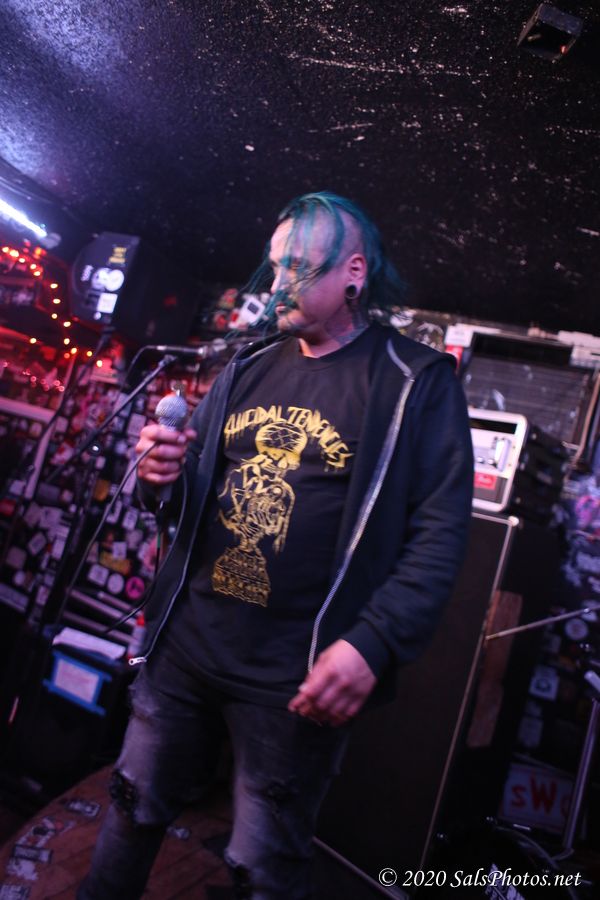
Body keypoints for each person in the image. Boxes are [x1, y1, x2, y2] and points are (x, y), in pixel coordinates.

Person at [78, 192, 473, 899]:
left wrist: (374, 640)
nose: (278, 281)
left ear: (354, 273)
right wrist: (160, 480)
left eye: (300, 266)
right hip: (184, 650)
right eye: (275, 264)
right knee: (132, 807)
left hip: (294, 684)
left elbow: (440, 533)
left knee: (262, 868)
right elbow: (184, 498)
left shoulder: (414, 382)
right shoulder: (247, 367)